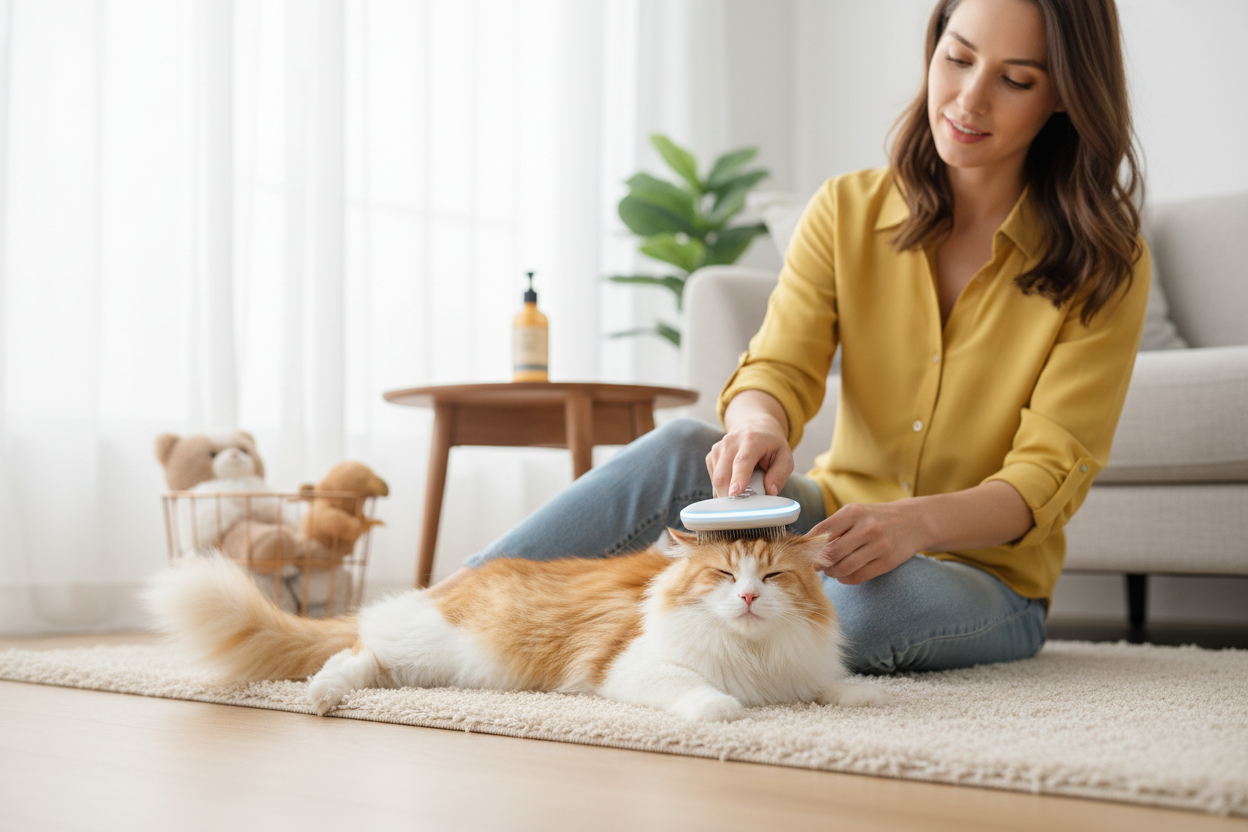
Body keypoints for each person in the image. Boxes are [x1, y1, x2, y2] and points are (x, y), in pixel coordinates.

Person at [436, 0, 1150, 674]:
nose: (968, 99)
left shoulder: (1105, 264)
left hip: (986, 578)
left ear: (1064, 95)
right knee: (688, 447)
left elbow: (1046, 476)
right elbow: (778, 364)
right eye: (956, 58)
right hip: (830, 524)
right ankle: (445, 610)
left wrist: (915, 526)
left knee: (852, 616)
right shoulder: (845, 209)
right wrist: (758, 426)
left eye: (1015, 80)